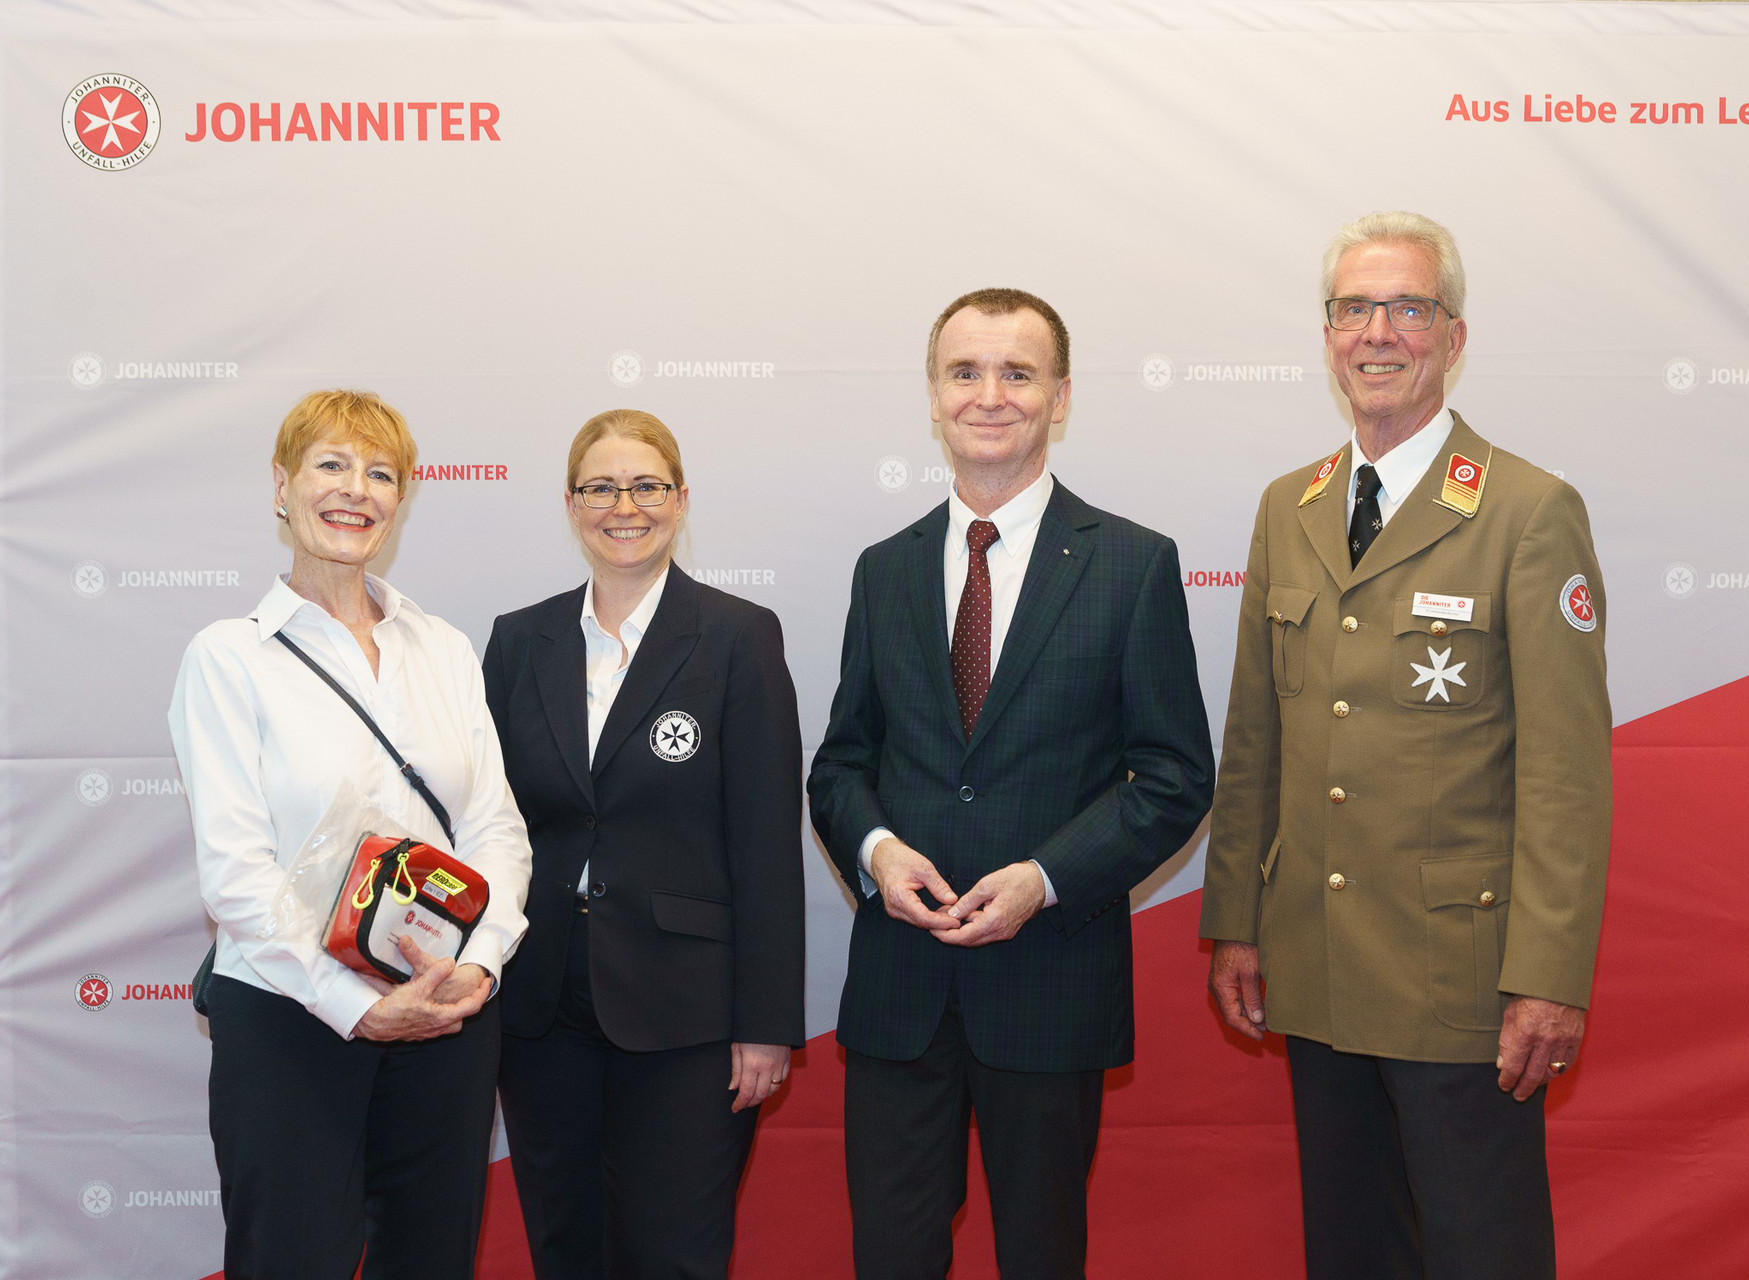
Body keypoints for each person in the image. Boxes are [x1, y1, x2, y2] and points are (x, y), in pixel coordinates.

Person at [1200, 211, 1613, 1279]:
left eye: (1408, 308)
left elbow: (1567, 773)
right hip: (1317, 959)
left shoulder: (1526, 510)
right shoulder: (1288, 506)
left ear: (1453, 335)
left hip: (1461, 978)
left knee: (1483, 1249)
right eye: (1354, 308)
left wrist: (1548, 977)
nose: (1378, 332)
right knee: (1351, 1248)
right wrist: (1236, 919)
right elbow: (1256, 739)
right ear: (1328, 332)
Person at [807, 288, 1214, 1280]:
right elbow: (841, 761)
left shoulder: (1133, 564)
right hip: (901, 992)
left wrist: (1044, 874)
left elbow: (1173, 774)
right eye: (965, 371)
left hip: (1051, 979)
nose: (989, 394)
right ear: (935, 396)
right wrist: (876, 850)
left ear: (1061, 396)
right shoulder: (883, 568)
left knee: (1042, 1253)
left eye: (1017, 373)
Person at [168, 389, 533, 1280]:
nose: (356, 490)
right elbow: (237, 875)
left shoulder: (441, 647)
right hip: (293, 1019)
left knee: (431, 1258)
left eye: (380, 473)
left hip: (445, 1013)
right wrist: (359, 1005)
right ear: (283, 487)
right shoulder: (228, 657)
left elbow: (496, 829)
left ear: (401, 499)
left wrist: (477, 969)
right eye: (331, 464)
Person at [482, 409, 805, 1280]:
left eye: (646, 485)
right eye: (601, 487)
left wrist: (767, 1024)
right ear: (571, 503)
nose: (624, 505)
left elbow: (768, 842)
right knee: (566, 1247)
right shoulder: (520, 641)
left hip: (688, 1012)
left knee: (674, 1255)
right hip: (542, 1003)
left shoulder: (739, 636)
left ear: (680, 499)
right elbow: (488, 825)